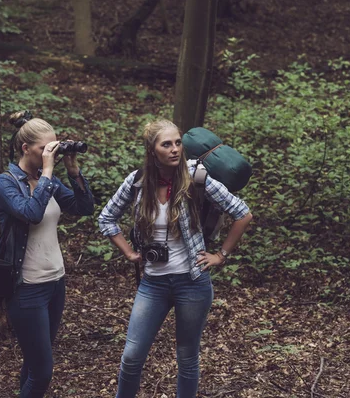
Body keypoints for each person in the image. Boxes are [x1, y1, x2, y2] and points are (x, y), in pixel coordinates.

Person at [98, 119, 253, 398]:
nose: (174, 149)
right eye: (166, 144)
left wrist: (221, 255)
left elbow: (242, 213)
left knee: (187, 358)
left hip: (192, 282)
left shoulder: (197, 178)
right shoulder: (137, 182)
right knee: (132, 356)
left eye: (178, 143)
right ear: (152, 150)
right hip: (153, 284)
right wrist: (129, 252)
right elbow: (106, 218)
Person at [0, 110, 94, 397]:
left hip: (55, 283)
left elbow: (84, 208)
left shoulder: (48, 181)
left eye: (55, 147)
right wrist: (48, 172)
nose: (52, 154)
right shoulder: (5, 183)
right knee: (43, 372)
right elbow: (32, 213)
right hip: (27, 288)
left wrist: (73, 173)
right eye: (45, 149)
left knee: (34, 364)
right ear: (26, 149)